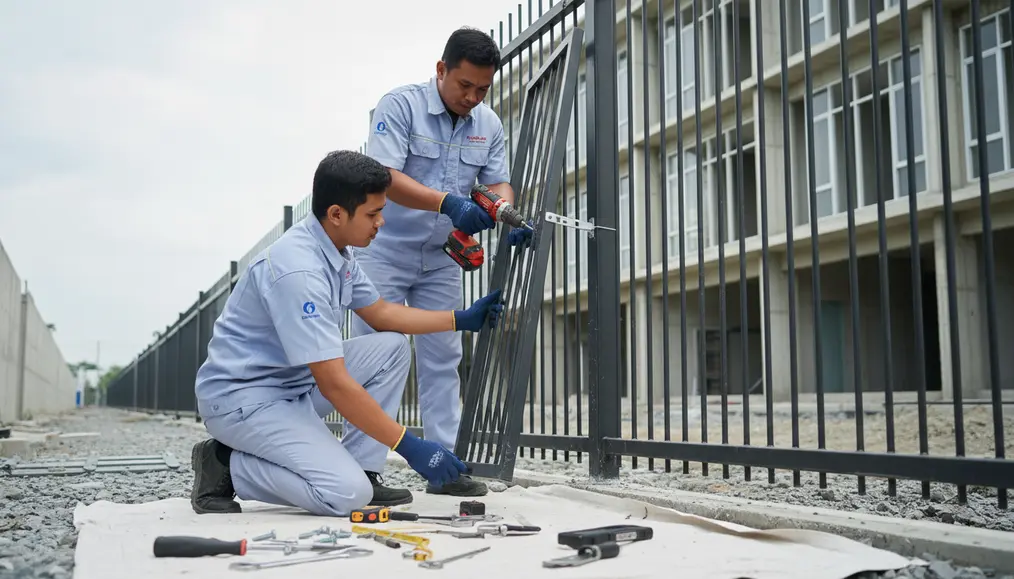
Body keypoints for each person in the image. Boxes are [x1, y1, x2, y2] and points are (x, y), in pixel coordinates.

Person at [189, 150, 504, 516]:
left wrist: (459, 319)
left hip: (290, 385)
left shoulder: (337, 251)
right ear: (337, 214)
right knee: (345, 495)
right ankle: (226, 465)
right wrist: (409, 446)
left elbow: (382, 313)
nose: (381, 222)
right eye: (373, 214)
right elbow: (334, 384)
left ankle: (363, 469)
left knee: (391, 348)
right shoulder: (299, 271)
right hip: (244, 400)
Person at [351, 26, 532, 502]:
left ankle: (444, 465)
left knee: (442, 356)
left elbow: (498, 182)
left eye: (482, 89)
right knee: (380, 354)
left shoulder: (489, 125)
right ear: (441, 70)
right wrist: (448, 203)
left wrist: (501, 211)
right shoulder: (400, 106)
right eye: (464, 85)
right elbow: (384, 177)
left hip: (440, 257)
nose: (472, 97)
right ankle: (363, 471)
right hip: (384, 249)